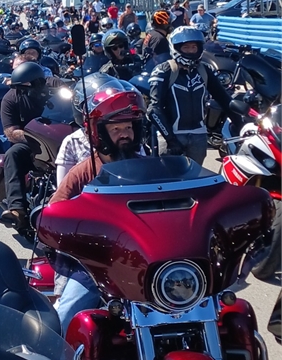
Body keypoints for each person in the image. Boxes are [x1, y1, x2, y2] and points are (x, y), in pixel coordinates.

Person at [48, 83, 146, 336]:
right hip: (98, 265)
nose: (124, 134)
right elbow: (56, 210)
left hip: (146, 261)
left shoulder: (150, 167)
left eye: (128, 127)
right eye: (116, 129)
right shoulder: (84, 171)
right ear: (100, 132)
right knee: (62, 319)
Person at [149, 26, 232, 165]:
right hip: (171, 136)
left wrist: (242, 121)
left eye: (194, 47)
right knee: (170, 177)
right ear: (176, 48)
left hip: (199, 136)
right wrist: (171, 140)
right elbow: (154, 110)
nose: (191, 50)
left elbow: (224, 99)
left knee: (196, 177)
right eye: (186, 47)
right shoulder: (164, 71)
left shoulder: (205, 70)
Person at [0, 61, 48, 231]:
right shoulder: (10, 98)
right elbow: (10, 132)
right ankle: (17, 209)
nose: (21, 90)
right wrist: (35, 137)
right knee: (13, 153)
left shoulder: (55, 90)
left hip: (59, 140)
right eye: (18, 87)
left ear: (38, 83)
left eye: (25, 86)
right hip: (31, 144)